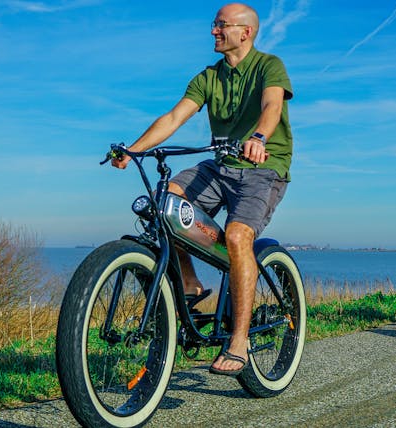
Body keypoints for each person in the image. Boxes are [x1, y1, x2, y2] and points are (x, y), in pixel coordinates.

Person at [111, 3, 294, 376]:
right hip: (221, 165)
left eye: (220, 25)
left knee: (238, 235)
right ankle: (191, 284)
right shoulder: (208, 77)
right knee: (168, 203)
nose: (213, 31)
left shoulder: (268, 65)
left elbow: (272, 105)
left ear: (245, 32)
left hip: (263, 168)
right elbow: (176, 116)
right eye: (213, 25)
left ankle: (239, 340)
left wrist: (258, 136)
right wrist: (134, 149)